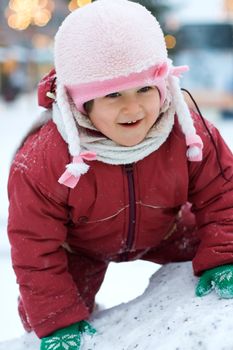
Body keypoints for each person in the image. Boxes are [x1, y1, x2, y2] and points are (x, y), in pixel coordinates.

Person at [7, 0, 233, 349]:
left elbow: (222, 191)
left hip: (166, 227)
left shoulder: (187, 133)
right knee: (48, 315)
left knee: (217, 247)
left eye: (145, 89)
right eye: (112, 95)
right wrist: (55, 320)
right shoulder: (45, 161)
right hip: (79, 246)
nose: (133, 108)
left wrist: (224, 256)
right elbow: (33, 243)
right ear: (81, 103)